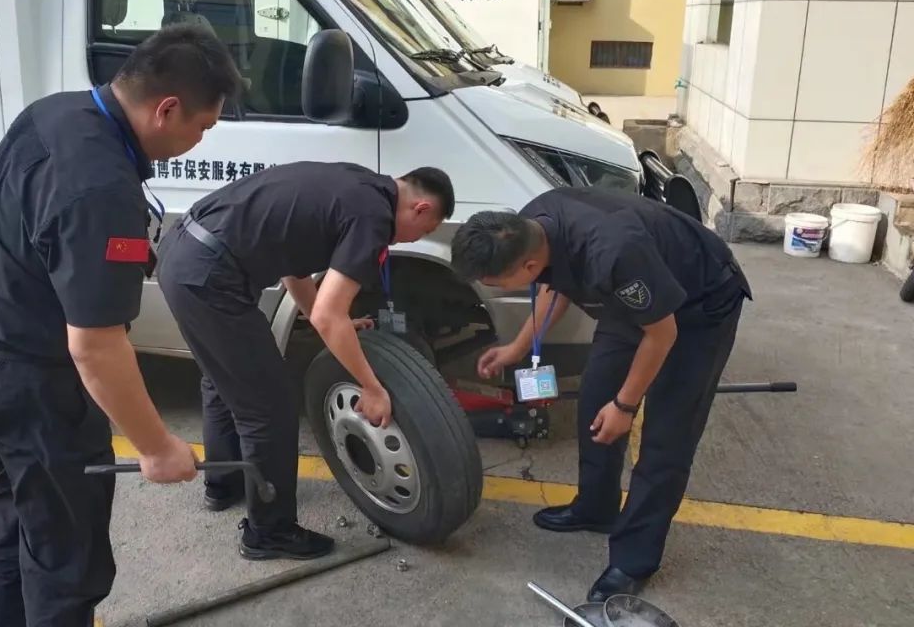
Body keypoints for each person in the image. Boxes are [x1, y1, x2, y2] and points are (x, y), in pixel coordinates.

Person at [0, 24, 243, 626]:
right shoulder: (102, 188)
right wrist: (157, 447)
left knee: (22, 519)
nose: (199, 142)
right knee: (66, 562)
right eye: (203, 128)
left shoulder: (58, 112)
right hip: (33, 389)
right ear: (166, 109)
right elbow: (96, 347)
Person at [450, 187, 752, 602]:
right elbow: (555, 285)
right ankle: (596, 507)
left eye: (496, 284)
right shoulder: (531, 224)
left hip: (701, 302)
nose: (495, 289)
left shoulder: (612, 251)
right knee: (595, 399)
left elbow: (662, 334)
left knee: (667, 438)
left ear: (527, 264)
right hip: (637, 297)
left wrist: (625, 405)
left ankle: (633, 560)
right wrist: (518, 347)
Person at [156, 162, 455, 560]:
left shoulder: (355, 185)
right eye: (425, 230)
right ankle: (269, 532)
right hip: (210, 274)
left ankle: (224, 483)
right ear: (420, 208)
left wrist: (325, 316)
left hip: (185, 253)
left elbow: (294, 271)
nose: (414, 239)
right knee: (270, 407)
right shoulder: (374, 217)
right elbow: (329, 315)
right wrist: (371, 386)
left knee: (225, 379)